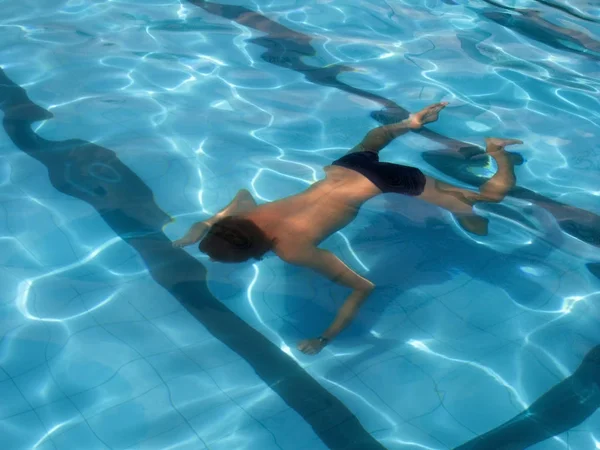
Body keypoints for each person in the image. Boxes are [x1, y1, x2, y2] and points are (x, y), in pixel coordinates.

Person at [174, 102, 523, 355]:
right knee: (372, 143)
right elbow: (237, 198)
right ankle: (410, 123)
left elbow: (363, 287)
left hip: (381, 183)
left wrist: (324, 338)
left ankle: (497, 151)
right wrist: (199, 230)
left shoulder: (291, 249)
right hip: (343, 170)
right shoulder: (248, 214)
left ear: (249, 254)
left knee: (486, 201)